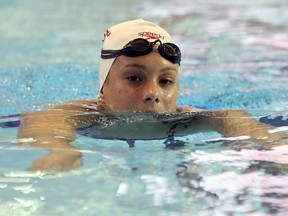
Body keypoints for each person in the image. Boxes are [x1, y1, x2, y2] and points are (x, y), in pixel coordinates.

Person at [17, 19, 285, 173]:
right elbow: (44, 120)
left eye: (165, 81)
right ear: (103, 88)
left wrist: (262, 141)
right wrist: (59, 148)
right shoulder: (90, 114)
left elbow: (229, 117)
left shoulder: (183, 119)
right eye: (134, 78)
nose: (152, 94)